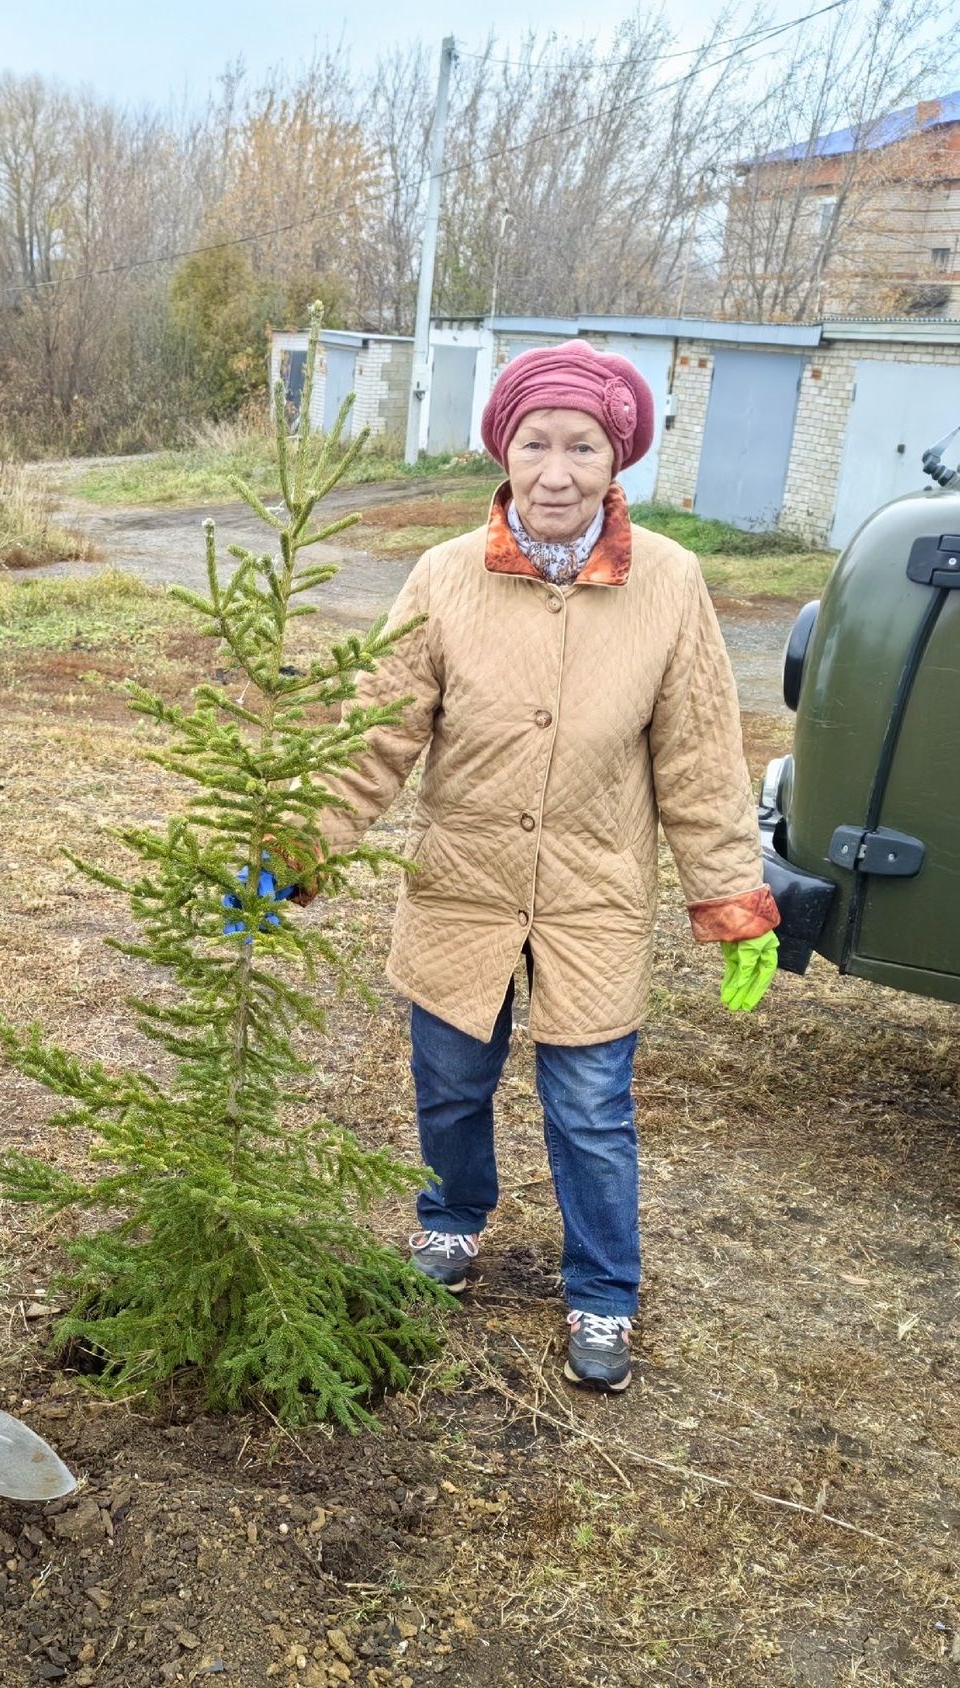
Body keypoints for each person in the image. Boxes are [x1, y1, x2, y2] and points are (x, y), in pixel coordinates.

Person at [311, 340, 780, 1394]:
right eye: (536, 443)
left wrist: (730, 898)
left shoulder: (670, 584)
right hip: (463, 886)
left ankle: (605, 1292)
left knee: (590, 1107)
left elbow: (701, 757)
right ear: (504, 449)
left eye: (584, 446)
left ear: (619, 461)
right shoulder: (444, 577)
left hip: (595, 896)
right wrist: (292, 853)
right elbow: (372, 738)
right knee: (450, 1082)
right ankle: (450, 1222)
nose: (558, 470)